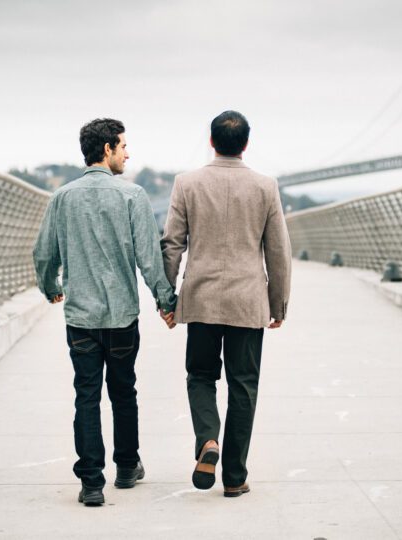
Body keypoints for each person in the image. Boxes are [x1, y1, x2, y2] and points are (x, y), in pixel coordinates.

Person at [32, 118, 176, 507]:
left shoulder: (62, 197)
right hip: (122, 316)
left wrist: (51, 287)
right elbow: (149, 257)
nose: (128, 153)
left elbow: (44, 253)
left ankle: (92, 482)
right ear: (107, 149)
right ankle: (127, 467)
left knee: (87, 396)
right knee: (124, 392)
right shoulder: (132, 196)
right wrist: (166, 300)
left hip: (80, 317)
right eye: (123, 146)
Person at [161, 110, 292, 498]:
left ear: (212, 141)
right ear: (246, 144)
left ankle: (207, 440)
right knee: (243, 385)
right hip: (247, 302)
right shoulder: (265, 187)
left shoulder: (187, 183)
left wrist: (167, 297)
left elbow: (172, 244)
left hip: (201, 299)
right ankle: (234, 476)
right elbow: (278, 252)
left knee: (201, 376)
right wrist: (278, 304)